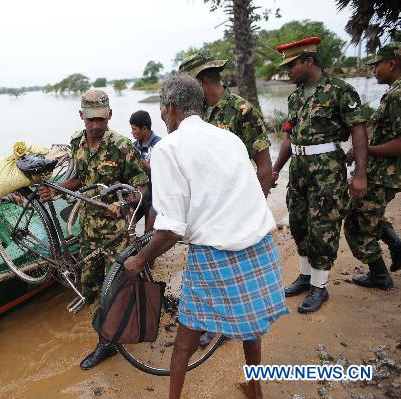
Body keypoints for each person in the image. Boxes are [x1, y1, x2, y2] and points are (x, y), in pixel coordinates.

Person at [124, 74, 288, 399]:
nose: (160, 115)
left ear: (170, 109)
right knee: (251, 326)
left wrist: (139, 259)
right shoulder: (230, 139)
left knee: (186, 339)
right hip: (259, 245)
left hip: (217, 251)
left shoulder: (167, 148)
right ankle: (254, 391)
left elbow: (171, 229)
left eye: (161, 108)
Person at [38, 89, 149, 370]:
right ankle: (109, 334)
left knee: (115, 288)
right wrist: (58, 190)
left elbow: (142, 187)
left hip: (116, 233)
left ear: (110, 114)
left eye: (101, 118)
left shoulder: (123, 147)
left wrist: (124, 202)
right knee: (91, 286)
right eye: (91, 120)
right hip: (88, 231)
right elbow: (78, 179)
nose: (96, 125)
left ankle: (108, 343)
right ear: (81, 117)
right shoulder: (76, 142)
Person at [271, 36, 368, 313]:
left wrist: (360, 174)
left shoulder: (340, 90)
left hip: (327, 168)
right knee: (300, 224)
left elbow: (358, 131)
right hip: (299, 169)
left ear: (309, 61)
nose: (287, 71)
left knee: (323, 228)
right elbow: (289, 137)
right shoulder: (296, 96)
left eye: (291, 65)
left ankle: (319, 286)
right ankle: (305, 276)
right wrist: (277, 168)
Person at [344, 42, 401, 289]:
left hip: (386, 174)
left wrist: (363, 151)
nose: (373, 70)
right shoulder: (394, 92)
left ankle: (379, 275)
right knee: (368, 214)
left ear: (391, 64)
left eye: (376, 65)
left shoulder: (397, 95)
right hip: (384, 172)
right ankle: (396, 246)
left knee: (356, 225)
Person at [179, 51, 273, 197]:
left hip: (234, 196)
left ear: (201, 83)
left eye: (188, 87)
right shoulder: (195, 111)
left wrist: (257, 207)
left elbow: (264, 166)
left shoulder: (242, 111)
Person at [130, 110, 161, 232]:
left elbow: (161, 171)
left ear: (144, 128)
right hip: (139, 196)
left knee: (148, 234)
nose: (132, 133)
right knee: (126, 227)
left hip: (155, 199)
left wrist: (139, 160)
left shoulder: (159, 145)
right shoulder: (133, 146)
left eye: (134, 129)